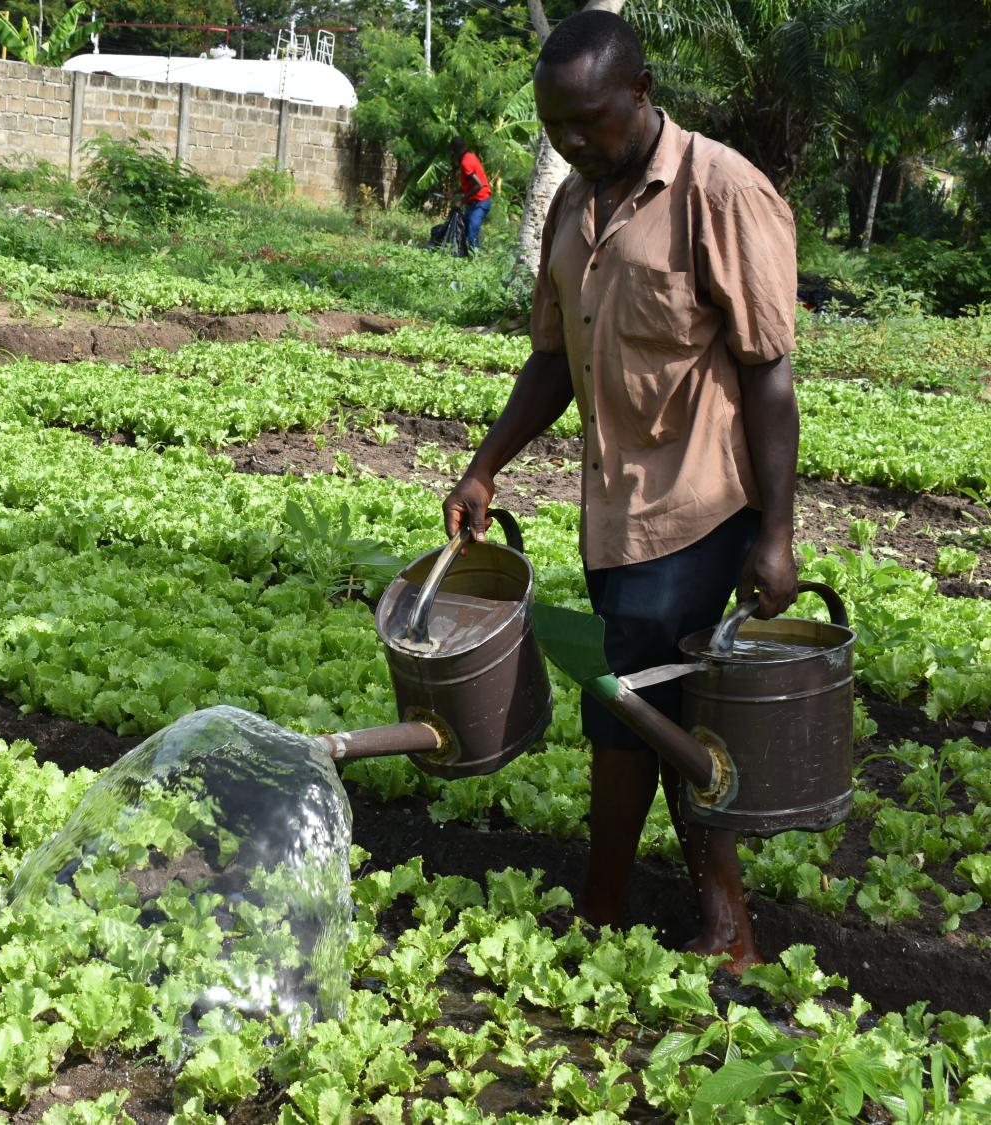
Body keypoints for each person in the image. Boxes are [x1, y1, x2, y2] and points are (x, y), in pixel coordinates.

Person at [440, 9, 800, 975]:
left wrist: (779, 531)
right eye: (556, 129)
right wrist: (485, 466)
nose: (572, 143)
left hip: (700, 505)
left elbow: (769, 371)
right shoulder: (573, 204)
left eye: (590, 123)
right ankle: (610, 902)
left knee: (658, 709)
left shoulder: (721, 191)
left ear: (640, 95)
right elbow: (551, 362)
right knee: (633, 704)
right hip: (615, 514)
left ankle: (725, 930)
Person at [450, 137, 493, 254]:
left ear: (455, 151)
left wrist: (461, 201)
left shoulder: (465, 162)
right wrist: (453, 192)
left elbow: (478, 185)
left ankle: (476, 260)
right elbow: (469, 184)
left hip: (480, 202)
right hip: (473, 203)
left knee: (472, 233)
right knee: (465, 230)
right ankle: (467, 257)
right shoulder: (469, 156)